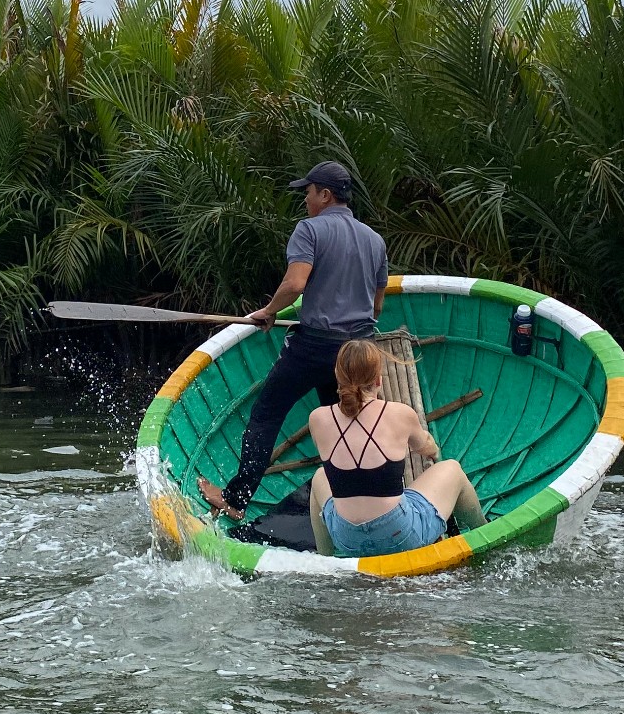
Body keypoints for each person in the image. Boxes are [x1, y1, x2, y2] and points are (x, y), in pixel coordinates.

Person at [199, 161, 389, 520]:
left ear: (325, 194)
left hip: (315, 347)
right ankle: (365, 503)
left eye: (308, 193)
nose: (306, 200)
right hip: (359, 350)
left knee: (266, 415)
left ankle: (236, 500)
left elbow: (295, 284)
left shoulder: (310, 230)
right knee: (352, 421)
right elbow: (376, 305)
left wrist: (268, 311)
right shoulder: (375, 241)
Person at [307, 338, 485, 556]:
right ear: (379, 380)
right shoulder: (400, 413)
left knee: (319, 476)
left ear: (337, 375)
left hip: (347, 539)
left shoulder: (318, 419)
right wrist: (433, 450)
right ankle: (483, 533)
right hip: (400, 536)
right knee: (453, 469)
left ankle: (325, 559)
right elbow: (426, 446)